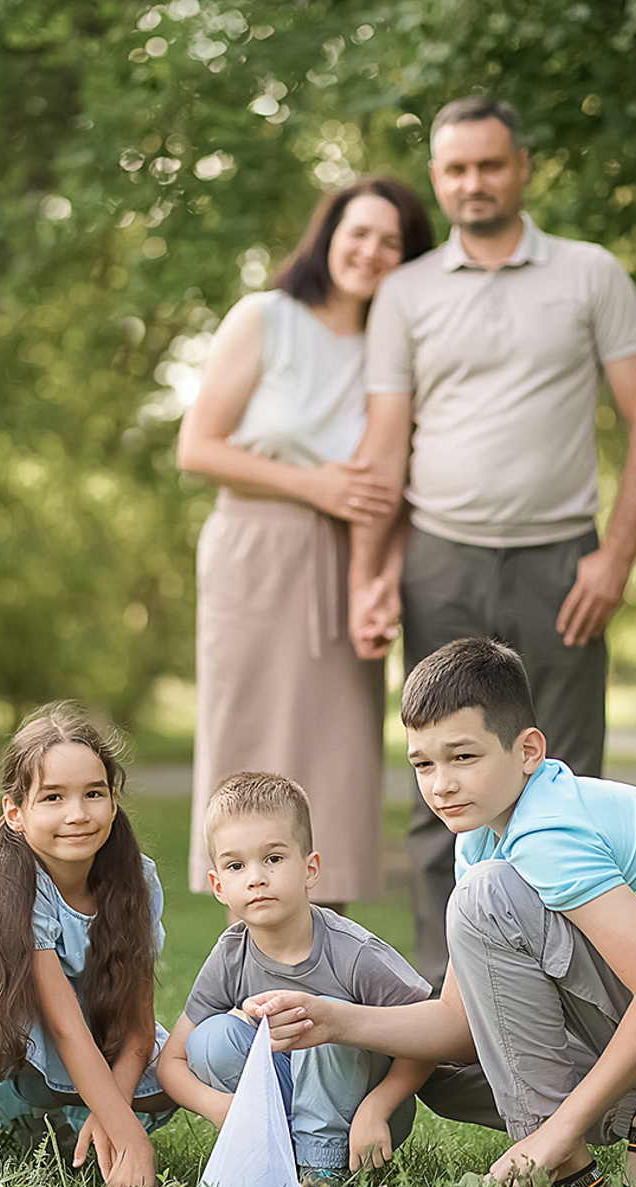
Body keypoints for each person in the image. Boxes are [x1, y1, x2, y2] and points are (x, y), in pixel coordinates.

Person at [249, 639, 636, 1187]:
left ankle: (559, 1169)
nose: (440, 785)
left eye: (463, 757)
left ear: (528, 750)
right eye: (423, 764)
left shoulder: (549, 830)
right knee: (446, 1071)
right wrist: (332, 1019)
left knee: (484, 897)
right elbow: (458, 1027)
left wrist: (555, 1132)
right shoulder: (480, 832)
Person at [348, 97, 636, 987]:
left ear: (522, 167)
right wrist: (371, 573)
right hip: (442, 562)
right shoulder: (406, 294)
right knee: (442, 778)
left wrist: (616, 556)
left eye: (489, 166)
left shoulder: (590, 274)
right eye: (454, 169)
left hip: (563, 559)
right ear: (437, 175)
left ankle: (583, 988)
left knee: (569, 784)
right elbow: (385, 448)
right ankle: (450, 999)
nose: (472, 184)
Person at [177, 176, 434, 911]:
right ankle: (250, 953)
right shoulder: (266, 318)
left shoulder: (399, 349)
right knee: (249, 756)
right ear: (328, 235)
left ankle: (322, 962)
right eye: (359, 233)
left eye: (392, 241)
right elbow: (197, 448)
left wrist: (379, 576)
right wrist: (314, 485)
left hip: (352, 560)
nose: (371, 252)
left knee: (336, 767)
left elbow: (397, 479)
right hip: (256, 554)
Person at [157, 771, 500, 1185]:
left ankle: (323, 1172)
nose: (256, 877)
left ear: (310, 868)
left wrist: (378, 1107)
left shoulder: (352, 952)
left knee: (322, 1022)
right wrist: (219, 1107)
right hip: (289, 1098)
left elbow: (427, 1037)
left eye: (274, 858)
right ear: (218, 886)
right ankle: (278, 1152)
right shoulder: (231, 953)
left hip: (366, 1109)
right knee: (210, 1039)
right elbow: (173, 1061)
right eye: (235, 865)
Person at [0, 703, 174, 1187]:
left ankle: (45, 1123)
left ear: (113, 799)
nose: (77, 814)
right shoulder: (15, 884)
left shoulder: (137, 880)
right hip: (2, 1046)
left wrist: (117, 1117)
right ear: (15, 811)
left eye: (94, 793)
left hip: (86, 1044)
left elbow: (136, 1028)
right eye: (53, 798)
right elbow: (64, 1028)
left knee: (177, 1069)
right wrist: (131, 1141)